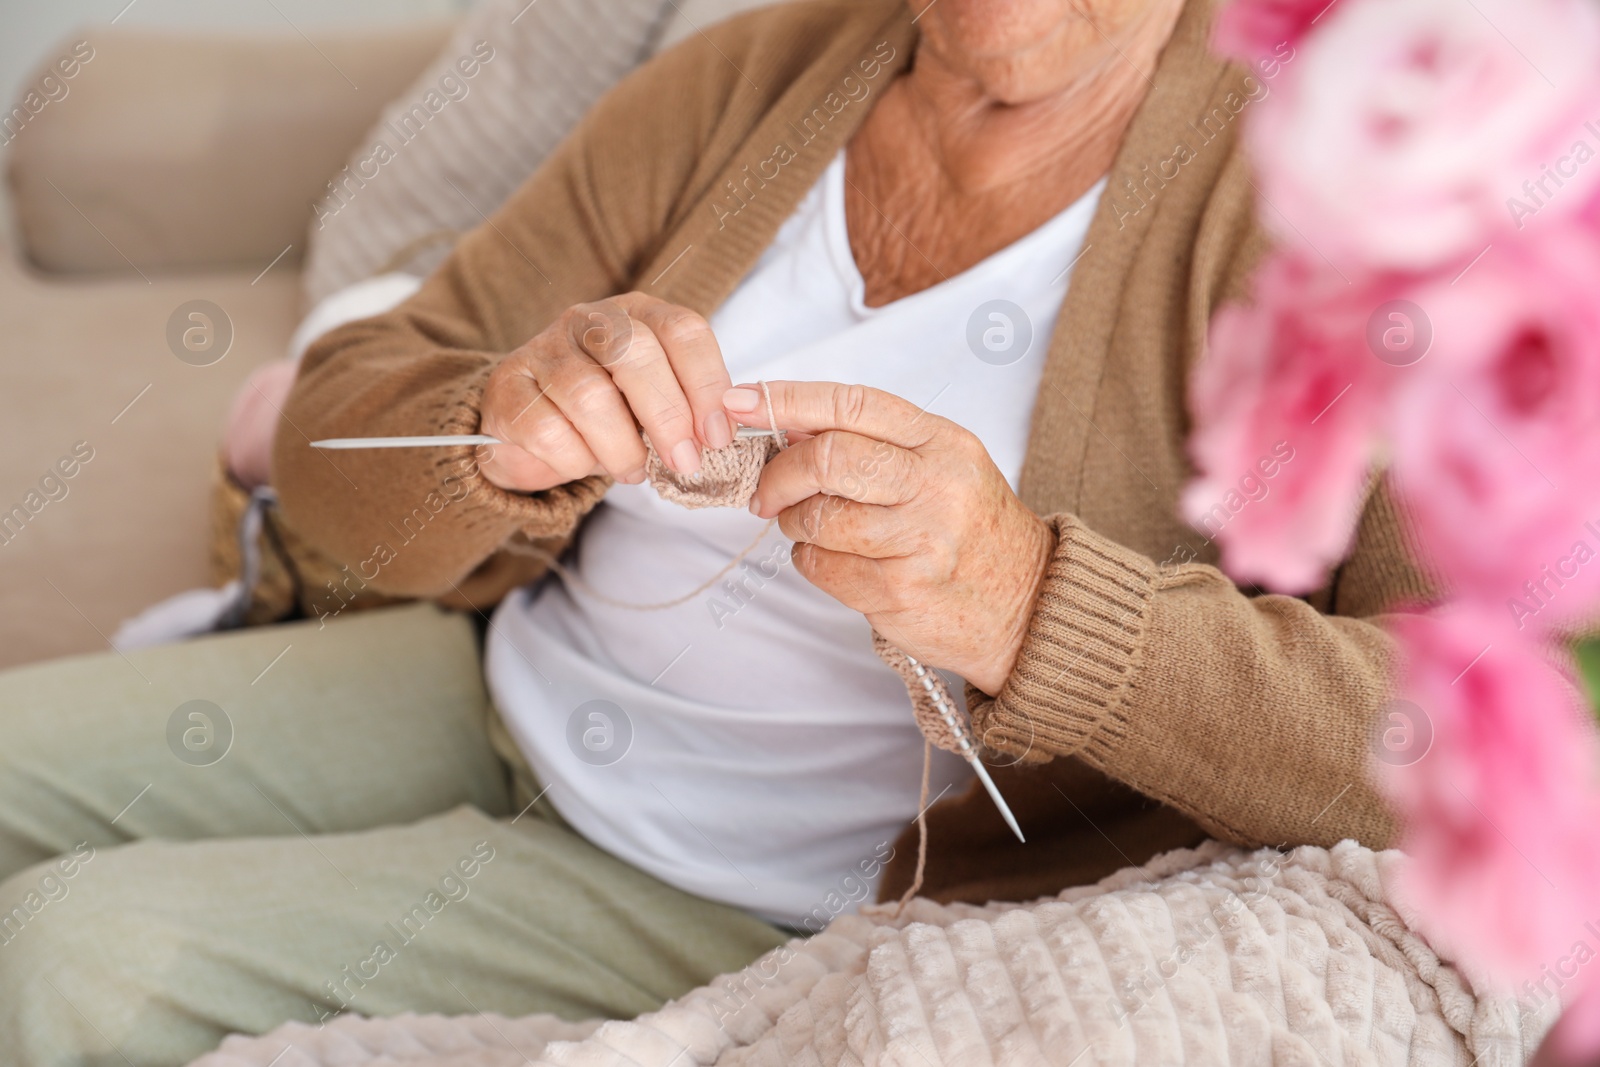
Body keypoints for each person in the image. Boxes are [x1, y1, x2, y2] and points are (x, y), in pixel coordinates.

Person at [0, 0, 1431, 1063]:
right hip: (504, 682)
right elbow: (341, 427)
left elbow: (1489, 727)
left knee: (61, 955)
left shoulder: (1345, 214)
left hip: (745, 886)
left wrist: (1026, 598)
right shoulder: (767, 71)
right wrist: (497, 426)